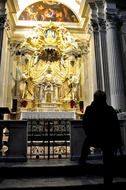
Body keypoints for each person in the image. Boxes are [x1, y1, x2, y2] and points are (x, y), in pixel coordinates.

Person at [80, 90, 123, 187]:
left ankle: (82, 163)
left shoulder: (90, 109)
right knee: (108, 161)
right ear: (105, 99)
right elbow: (116, 126)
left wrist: (90, 133)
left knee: (86, 145)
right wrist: (118, 141)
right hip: (107, 139)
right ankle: (108, 180)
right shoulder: (110, 109)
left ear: (94, 98)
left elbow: (85, 123)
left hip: (94, 137)